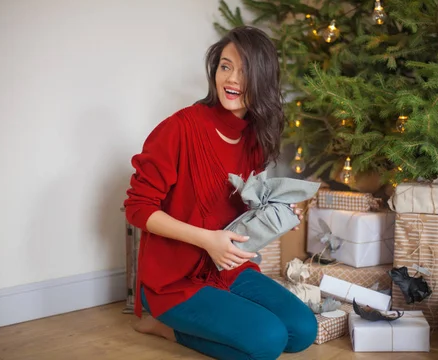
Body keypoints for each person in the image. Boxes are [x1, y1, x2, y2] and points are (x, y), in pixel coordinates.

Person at [123, 26, 318, 360]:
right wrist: (207, 240)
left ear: (262, 80)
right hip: (173, 280)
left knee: (302, 331)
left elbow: (240, 210)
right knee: (268, 341)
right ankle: (167, 326)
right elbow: (137, 208)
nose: (232, 79)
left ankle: (198, 323)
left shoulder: (255, 138)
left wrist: (277, 216)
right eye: (226, 66)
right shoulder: (179, 129)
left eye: (245, 71)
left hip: (226, 268)